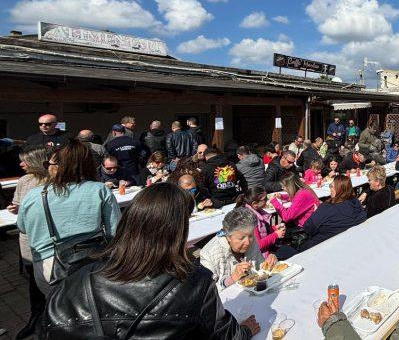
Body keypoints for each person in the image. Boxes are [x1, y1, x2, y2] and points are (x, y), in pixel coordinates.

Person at [40, 183, 260, 339]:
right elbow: (226, 335)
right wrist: (246, 330)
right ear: (178, 232)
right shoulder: (195, 283)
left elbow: (47, 329)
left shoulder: (75, 280)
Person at [16, 139, 121, 296]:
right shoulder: (99, 190)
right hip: (92, 264)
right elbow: (115, 231)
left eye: (47, 165)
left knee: (58, 311)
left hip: (49, 269)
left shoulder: (33, 196)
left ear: (57, 168)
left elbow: (22, 228)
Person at [6, 146, 48, 338]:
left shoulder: (53, 180)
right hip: (28, 238)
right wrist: (14, 208)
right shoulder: (24, 180)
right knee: (33, 280)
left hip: (47, 237)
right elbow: (18, 204)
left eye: (25, 161)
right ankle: (36, 317)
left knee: (50, 278)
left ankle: (54, 316)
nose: (21, 164)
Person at [199, 207, 277, 291]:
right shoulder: (209, 253)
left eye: (250, 235)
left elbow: (260, 271)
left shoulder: (251, 241)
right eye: (241, 238)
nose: (247, 242)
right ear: (228, 237)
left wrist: (268, 265)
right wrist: (232, 279)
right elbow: (206, 292)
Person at [301, 176, 366, 250]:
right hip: (350, 241)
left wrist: (316, 213)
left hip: (324, 246)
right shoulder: (355, 202)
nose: (330, 189)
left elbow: (308, 228)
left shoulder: (326, 208)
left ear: (338, 189)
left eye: (331, 186)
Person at [235, 187, 295, 258]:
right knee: (291, 252)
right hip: (259, 255)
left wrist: (277, 226)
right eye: (265, 199)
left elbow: (270, 221)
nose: (267, 200)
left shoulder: (259, 210)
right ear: (254, 204)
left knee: (290, 248)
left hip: (267, 247)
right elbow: (258, 245)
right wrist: (276, 234)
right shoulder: (250, 219)